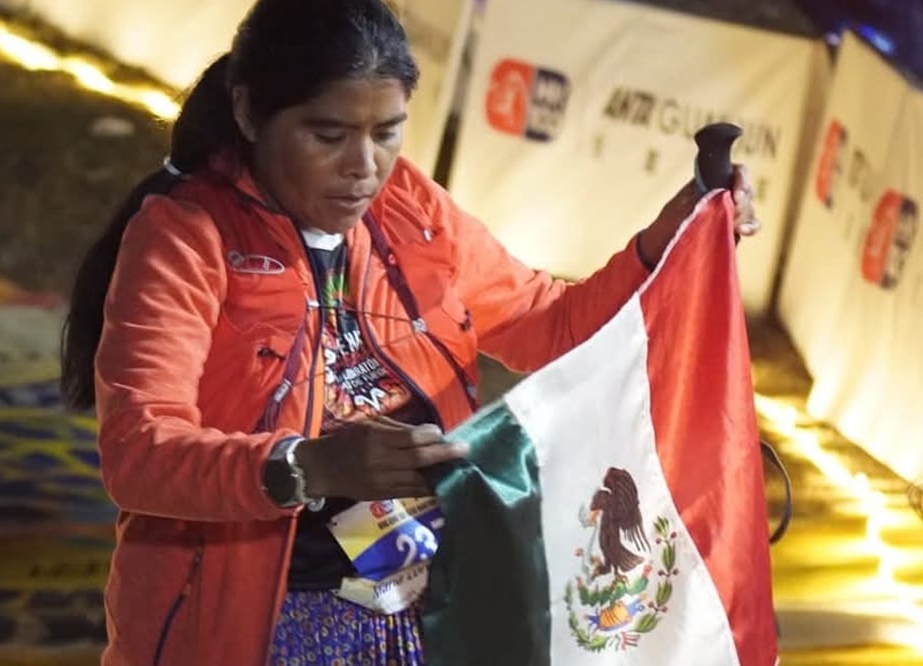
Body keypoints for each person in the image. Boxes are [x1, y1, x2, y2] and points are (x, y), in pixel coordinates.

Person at [59, 0, 759, 664]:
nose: (363, 167)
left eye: (386, 131)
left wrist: (668, 242)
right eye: (327, 135)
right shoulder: (186, 237)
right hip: (261, 626)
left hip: (434, 609)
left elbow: (547, 324)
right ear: (248, 111)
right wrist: (311, 466)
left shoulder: (408, 208)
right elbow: (139, 453)